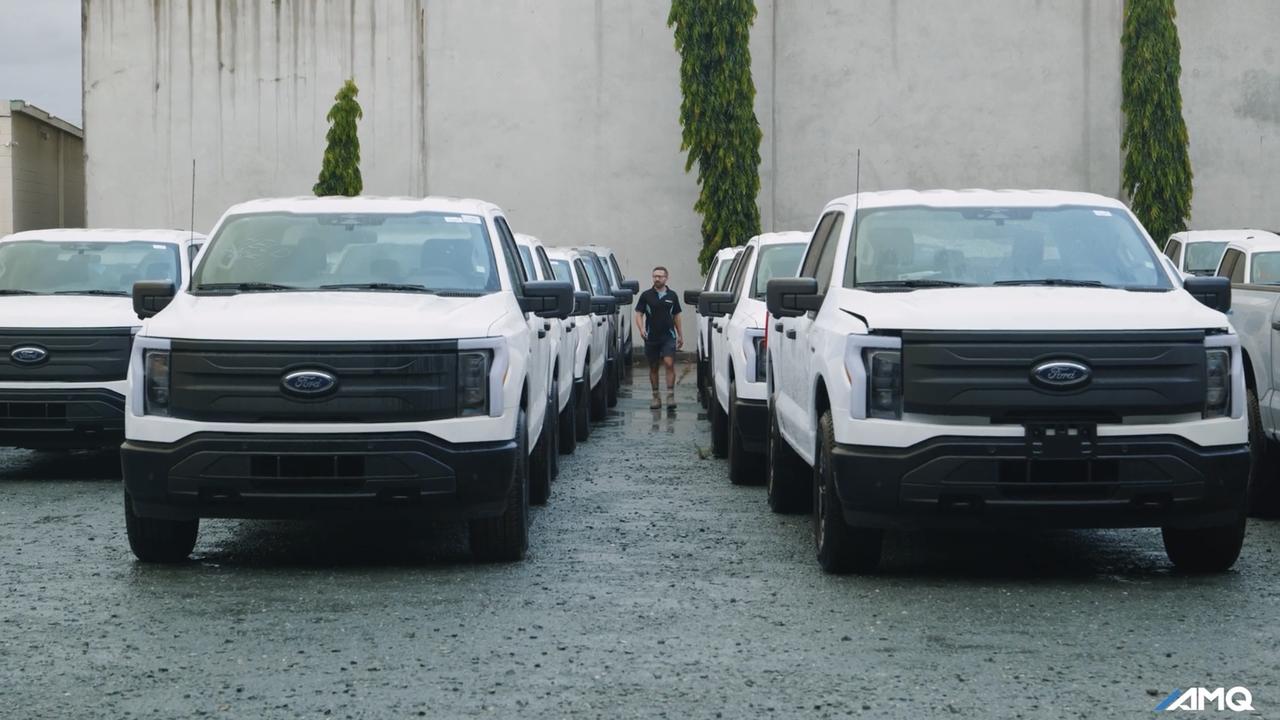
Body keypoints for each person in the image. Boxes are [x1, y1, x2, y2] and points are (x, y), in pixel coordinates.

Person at [634, 266, 683, 410]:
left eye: (660, 276)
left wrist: (680, 334)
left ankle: (670, 395)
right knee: (653, 366)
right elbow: (638, 313)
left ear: (666, 278)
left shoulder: (672, 296)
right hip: (651, 336)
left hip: (668, 336)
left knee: (669, 363)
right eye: (655, 276)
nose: (657, 278)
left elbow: (677, 315)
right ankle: (656, 396)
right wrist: (641, 329)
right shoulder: (646, 295)